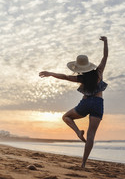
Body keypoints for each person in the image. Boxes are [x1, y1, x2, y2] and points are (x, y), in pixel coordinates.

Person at [39, 36, 108, 168]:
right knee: (91, 135)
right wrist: (105, 42)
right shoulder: (99, 73)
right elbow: (105, 57)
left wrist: (50, 73)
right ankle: (83, 163)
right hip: (98, 104)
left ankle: (77, 132)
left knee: (66, 117)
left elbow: (64, 77)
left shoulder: (80, 78)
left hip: (86, 103)